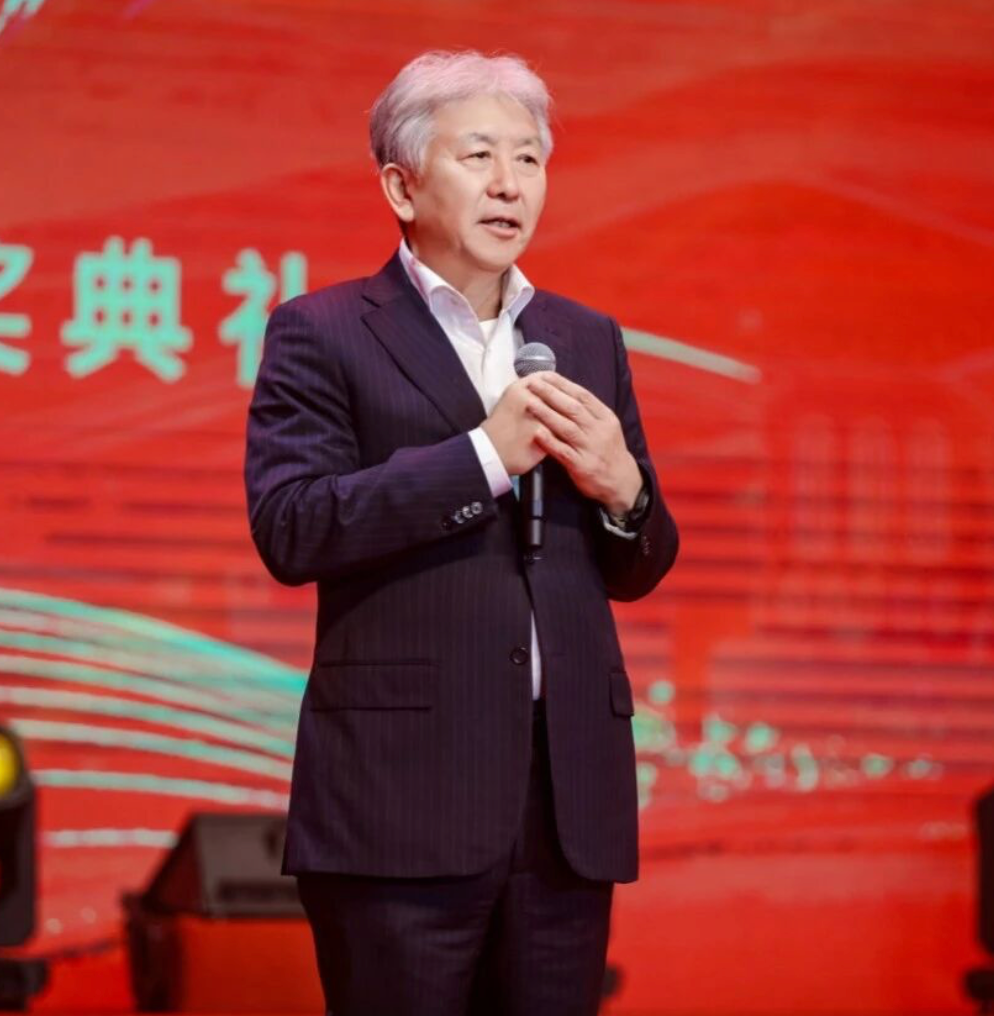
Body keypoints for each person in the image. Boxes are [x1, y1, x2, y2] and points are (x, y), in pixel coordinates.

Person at [243, 49, 678, 1016]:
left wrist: (627, 493)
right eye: (478, 156)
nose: (509, 183)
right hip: (401, 801)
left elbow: (636, 566)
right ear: (402, 187)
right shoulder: (324, 331)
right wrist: (484, 457)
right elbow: (293, 525)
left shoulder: (587, 337)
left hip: (564, 803)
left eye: (529, 159)